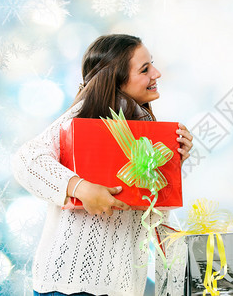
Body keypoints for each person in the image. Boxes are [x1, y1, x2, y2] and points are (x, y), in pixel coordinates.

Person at [12, 34, 193, 296]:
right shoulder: (84, 113)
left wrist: (173, 164)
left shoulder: (145, 127)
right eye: (144, 69)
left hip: (121, 286)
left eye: (151, 64)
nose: (157, 73)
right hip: (71, 285)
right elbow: (26, 160)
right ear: (116, 79)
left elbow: (148, 215)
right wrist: (81, 188)